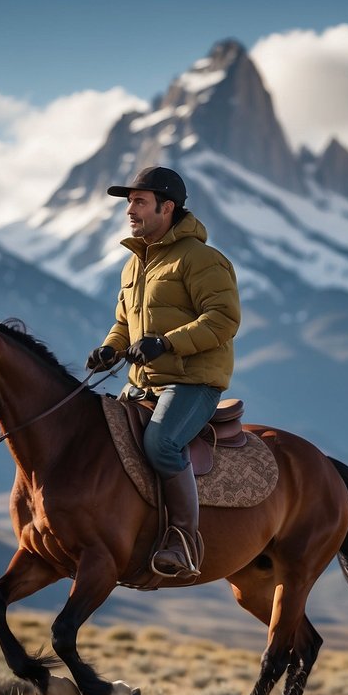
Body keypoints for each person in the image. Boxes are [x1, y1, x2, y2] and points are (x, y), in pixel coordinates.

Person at [86, 166, 241, 579]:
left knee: (161, 444)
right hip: (142, 384)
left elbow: (223, 320)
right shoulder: (134, 265)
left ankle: (183, 540)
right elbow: (125, 323)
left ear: (167, 207)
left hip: (193, 383)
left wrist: (167, 342)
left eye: (139, 202)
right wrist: (110, 348)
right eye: (129, 202)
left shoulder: (202, 260)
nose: (129, 211)